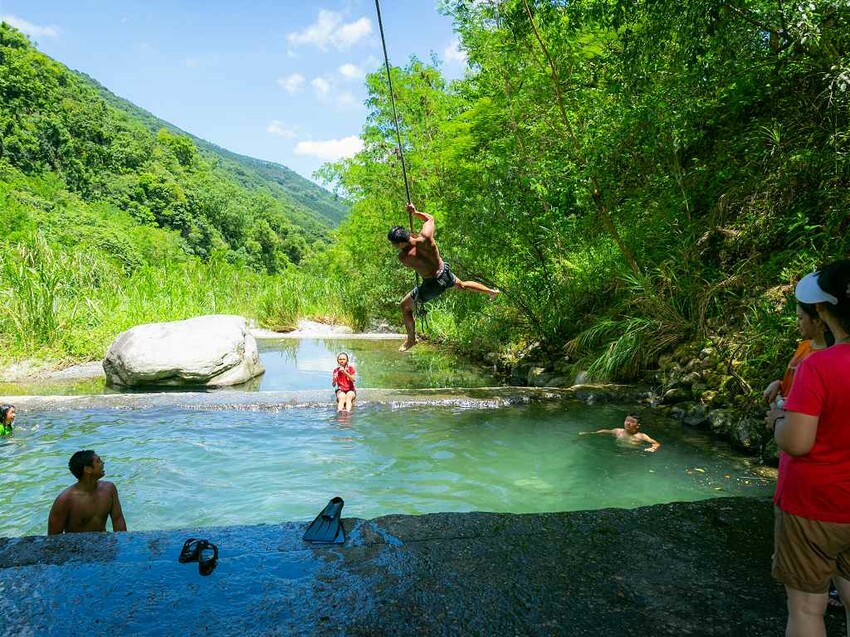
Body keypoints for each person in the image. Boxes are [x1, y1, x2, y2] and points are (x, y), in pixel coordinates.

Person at [765, 260, 850, 636]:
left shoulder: (820, 366)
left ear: (822, 309)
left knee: (806, 607)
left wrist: (778, 421)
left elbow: (798, 443)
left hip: (815, 504)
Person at [388, 203, 500, 351]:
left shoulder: (403, 257)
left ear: (401, 243)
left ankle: (411, 339)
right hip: (444, 272)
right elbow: (430, 219)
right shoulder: (426, 238)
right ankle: (491, 291)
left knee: (405, 306)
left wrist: (408, 245)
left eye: (394, 244)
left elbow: (413, 257)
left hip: (432, 285)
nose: (394, 246)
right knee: (462, 285)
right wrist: (415, 212)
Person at [763, 301, 832, 409]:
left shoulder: (827, 356)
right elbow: (795, 383)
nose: (796, 323)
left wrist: (779, 418)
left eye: (800, 318)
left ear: (817, 321)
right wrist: (779, 384)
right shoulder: (804, 346)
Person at [47, 450, 127, 534]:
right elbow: (53, 537)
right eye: (98, 461)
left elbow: (118, 519)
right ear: (88, 469)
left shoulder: (109, 489)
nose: (103, 463)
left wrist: (124, 543)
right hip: (77, 546)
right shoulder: (65, 500)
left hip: (103, 543)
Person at [579, 413, 660, 452]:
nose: (628, 423)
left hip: (633, 454)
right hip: (617, 451)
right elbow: (604, 431)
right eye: (627, 420)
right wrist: (590, 433)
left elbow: (656, 443)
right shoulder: (618, 431)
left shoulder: (642, 436)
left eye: (632, 422)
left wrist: (653, 448)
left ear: (637, 425)